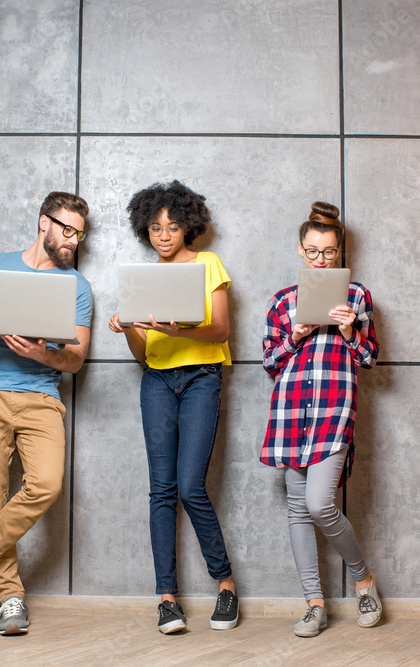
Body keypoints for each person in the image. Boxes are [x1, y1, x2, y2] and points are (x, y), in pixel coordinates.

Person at [0, 192, 92, 636]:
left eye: (80, 234)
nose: (73, 239)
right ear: (42, 223)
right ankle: (10, 599)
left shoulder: (77, 287)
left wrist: (43, 354)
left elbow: (77, 358)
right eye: (66, 229)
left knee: (46, 484)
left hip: (40, 397)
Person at [108, 180, 239, 634]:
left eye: (173, 225)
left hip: (202, 379)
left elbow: (220, 329)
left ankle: (225, 585)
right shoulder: (143, 279)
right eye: (155, 227)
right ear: (145, 230)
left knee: (190, 488)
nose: (163, 234)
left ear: (188, 227)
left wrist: (178, 329)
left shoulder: (208, 264)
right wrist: (127, 325)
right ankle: (167, 599)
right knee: (160, 490)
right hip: (157, 382)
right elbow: (144, 354)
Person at [261, 201, 383, 636]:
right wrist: (294, 334)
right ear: (300, 250)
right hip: (291, 413)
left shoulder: (357, 296)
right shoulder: (282, 300)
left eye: (328, 252)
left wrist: (350, 331)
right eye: (313, 251)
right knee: (298, 510)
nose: (320, 259)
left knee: (319, 504)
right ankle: (314, 604)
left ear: (339, 252)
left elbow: (369, 359)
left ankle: (364, 580)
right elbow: (271, 362)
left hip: (335, 413)